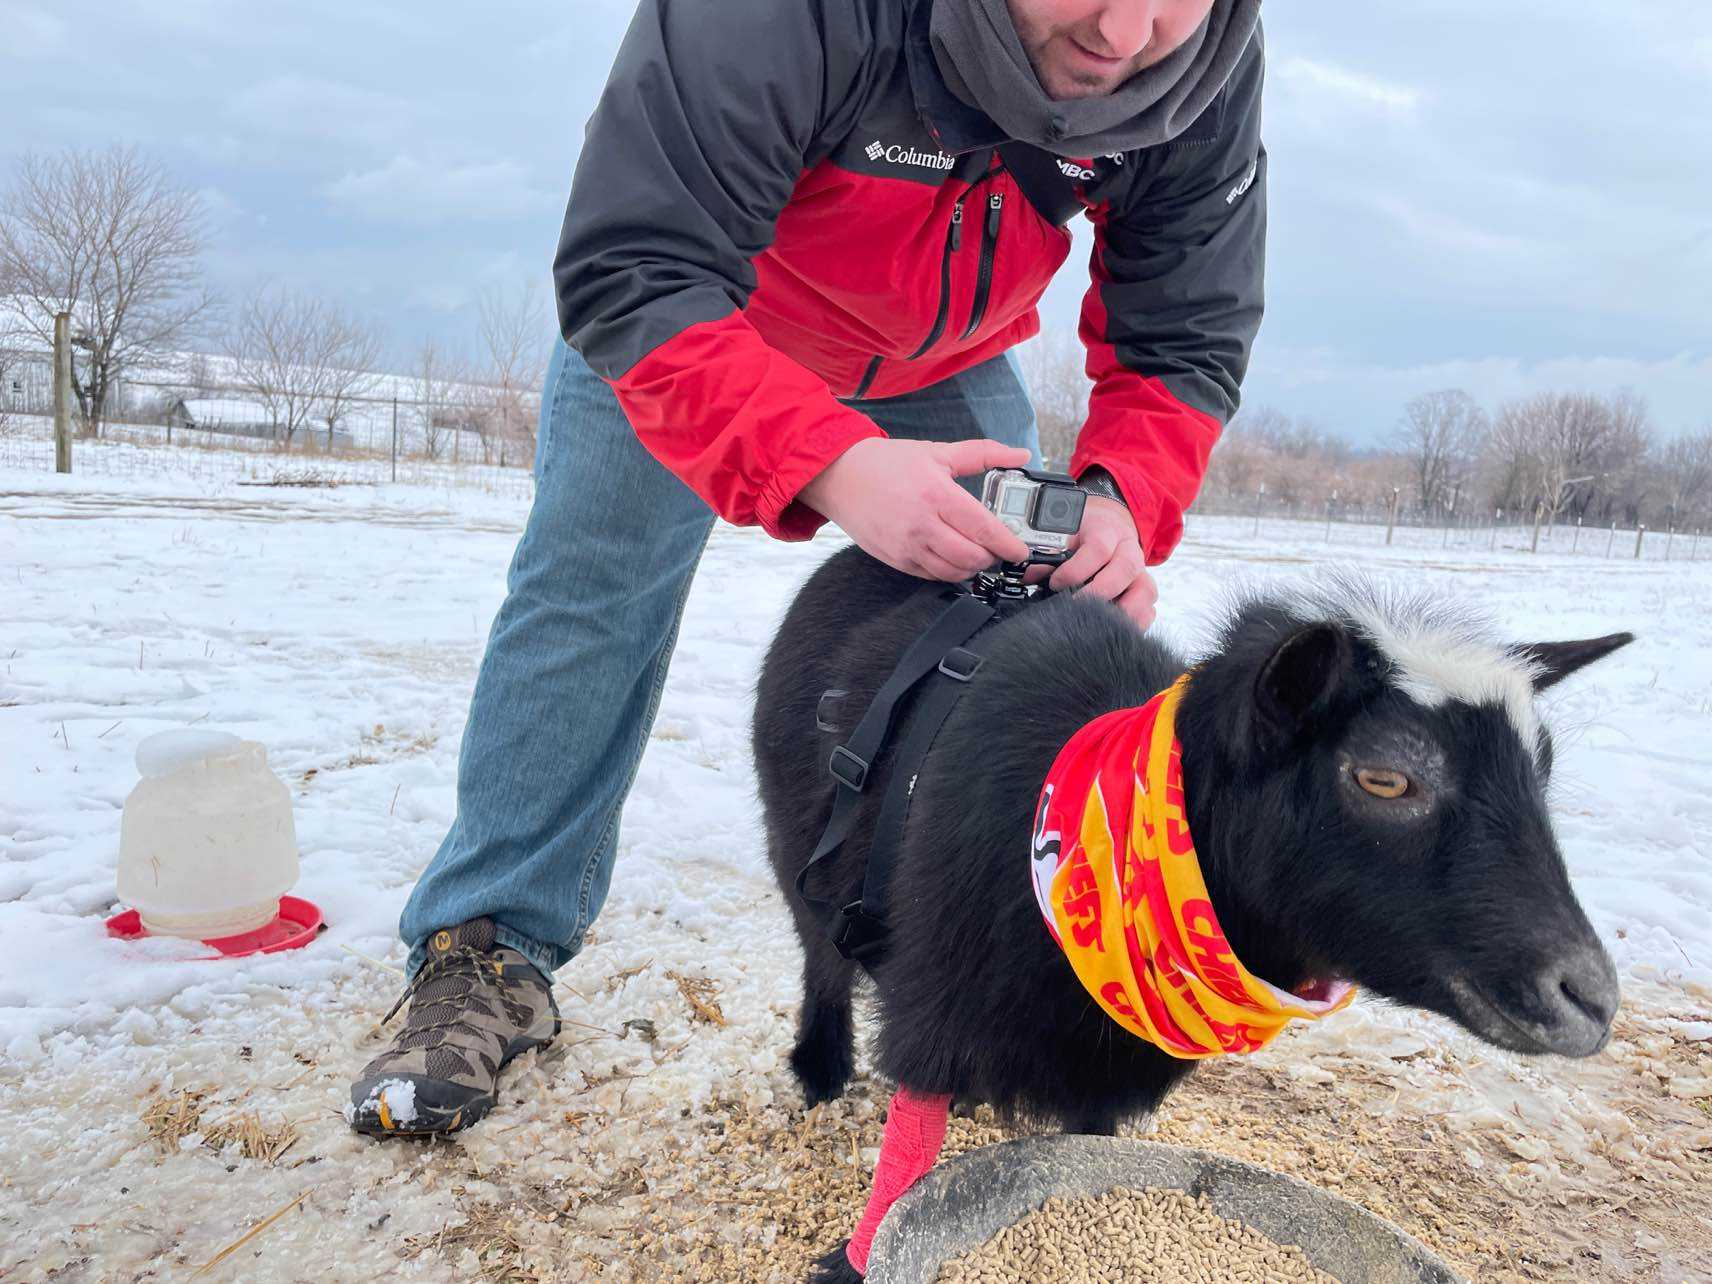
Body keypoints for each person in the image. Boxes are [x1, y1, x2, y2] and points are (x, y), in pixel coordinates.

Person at [348, 0, 1265, 1136]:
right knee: (589, 605)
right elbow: (637, 262)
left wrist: (1123, 496)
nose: (1127, 34)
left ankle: (1007, 967)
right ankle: (485, 949)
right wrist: (829, 461)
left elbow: (1185, 330)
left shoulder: (1200, 61)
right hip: (703, 318)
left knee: (1024, 635)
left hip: (949, 356)